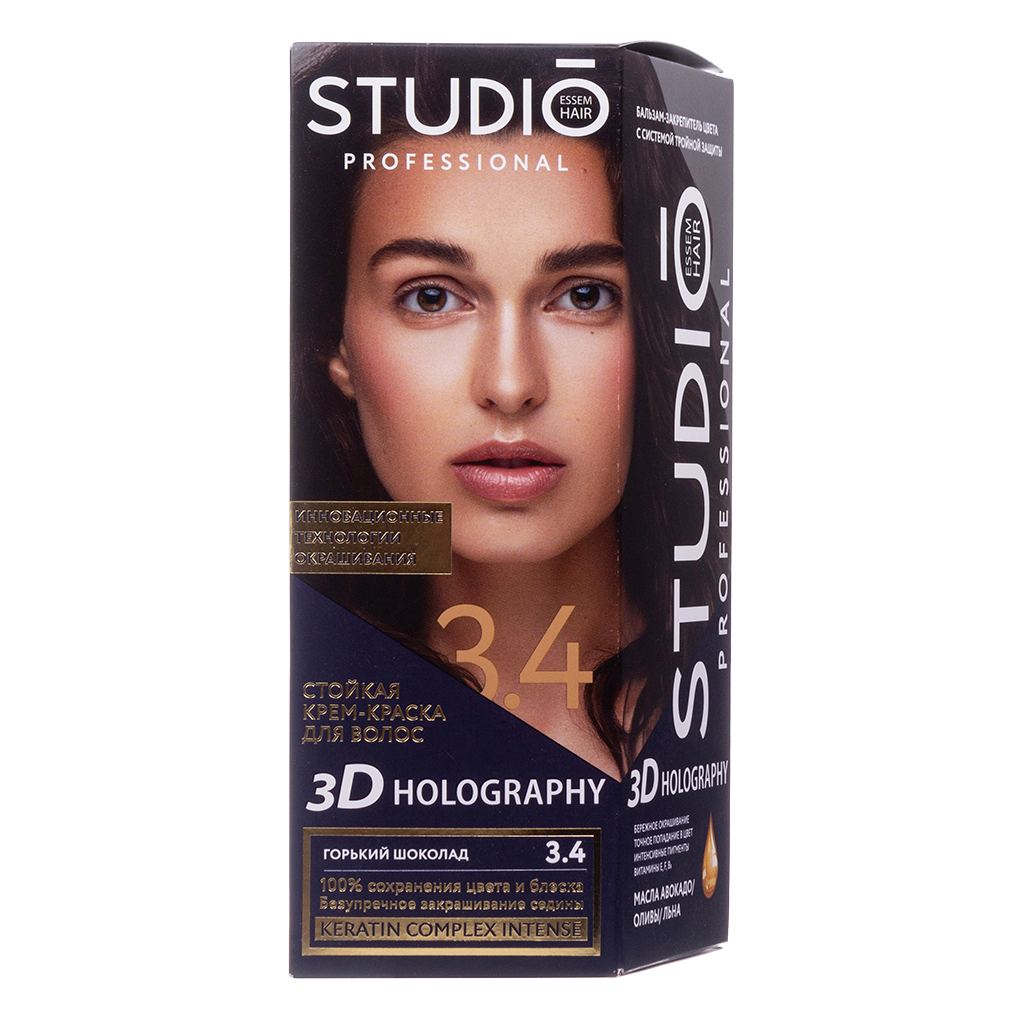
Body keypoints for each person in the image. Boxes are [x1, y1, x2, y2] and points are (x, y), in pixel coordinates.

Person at [291, 46, 721, 777]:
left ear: (659, 330)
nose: (512, 383)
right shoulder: (297, 708)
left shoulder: (709, 714)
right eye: (431, 297)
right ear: (336, 345)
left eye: (584, 295)